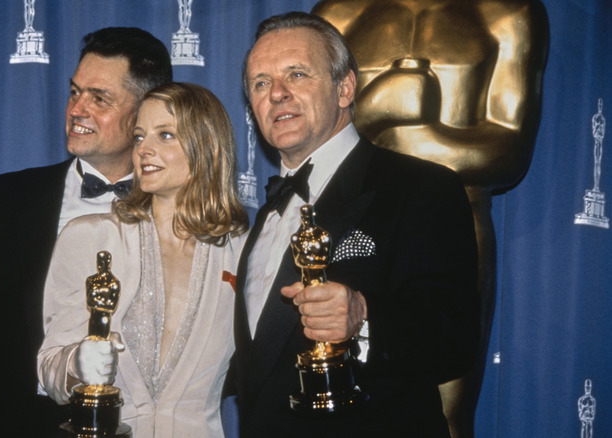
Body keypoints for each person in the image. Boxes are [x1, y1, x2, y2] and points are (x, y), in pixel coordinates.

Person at [225, 12, 479, 437]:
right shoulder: (265, 215)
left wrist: (363, 316)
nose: (277, 94)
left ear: (345, 89)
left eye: (297, 74)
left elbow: (453, 340)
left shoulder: (421, 187)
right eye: (260, 83)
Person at [310, 2, 549, 436]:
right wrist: (381, 107)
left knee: (448, 415)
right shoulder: (339, 12)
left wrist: (411, 132)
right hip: (344, 225)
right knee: (325, 406)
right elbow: (312, 130)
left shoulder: (506, 12)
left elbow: (507, 150)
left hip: (451, 232)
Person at [0, 27, 172, 437]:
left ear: (146, 111)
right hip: (10, 423)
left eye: (99, 98)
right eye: (75, 92)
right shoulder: (2, 197)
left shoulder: (180, 211)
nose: (77, 109)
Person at [39, 82, 248, 437]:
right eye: (139, 137)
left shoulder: (242, 250)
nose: (144, 150)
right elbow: (49, 368)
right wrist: (76, 363)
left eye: (164, 135)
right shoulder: (89, 236)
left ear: (207, 147)